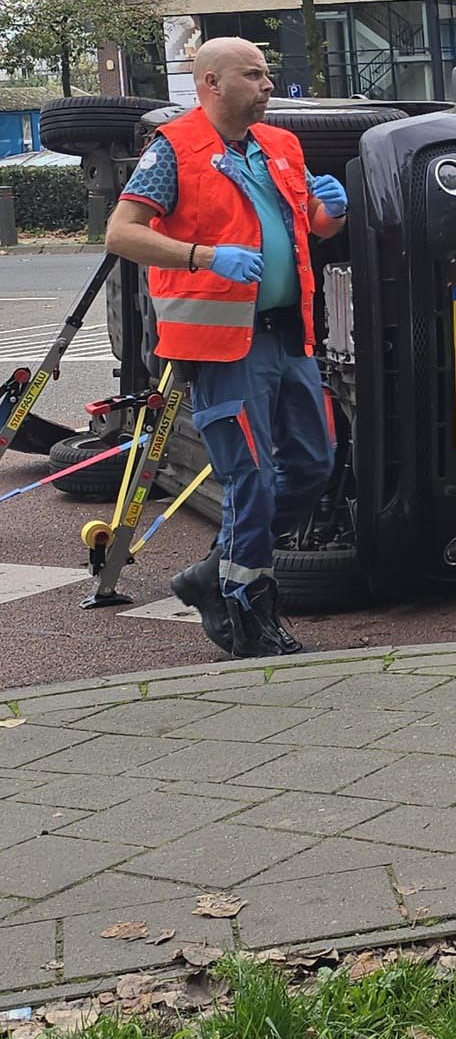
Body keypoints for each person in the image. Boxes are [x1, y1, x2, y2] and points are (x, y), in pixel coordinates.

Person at [104, 38, 345, 659]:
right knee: (252, 479)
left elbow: (302, 227)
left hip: (289, 337)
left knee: (314, 465)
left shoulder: (280, 146)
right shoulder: (174, 151)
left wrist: (329, 217)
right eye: (254, 75)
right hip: (222, 346)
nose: (269, 85)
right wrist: (205, 257)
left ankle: (213, 574)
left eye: (267, 73)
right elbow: (121, 234)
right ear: (211, 82)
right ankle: (243, 609)